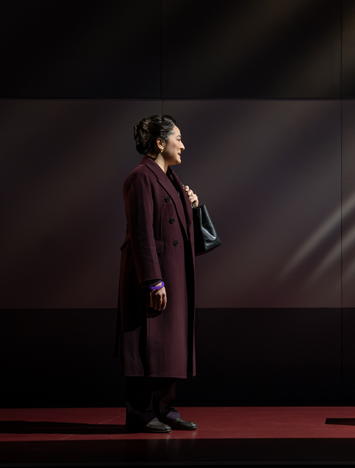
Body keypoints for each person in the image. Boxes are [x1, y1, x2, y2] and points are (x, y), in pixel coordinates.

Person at [118, 115, 200, 433]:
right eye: (177, 138)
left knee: (170, 343)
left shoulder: (171, 180)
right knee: (147, 342)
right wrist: (152, 280)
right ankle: (140, 412)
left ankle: (164, 408)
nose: (183, 145)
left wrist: (191, 205)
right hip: (154, 274)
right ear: (159, 142)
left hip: (173, 272)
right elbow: (142, 233)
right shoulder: (141, 177)